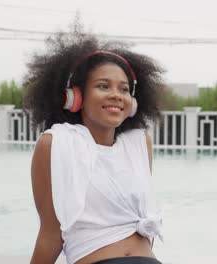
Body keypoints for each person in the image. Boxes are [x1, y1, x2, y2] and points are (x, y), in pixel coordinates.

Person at [23, 31, 165, 264]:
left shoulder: (139, 143)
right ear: (75, 96)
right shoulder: (55, 144)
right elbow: (50, 233)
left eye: (124, 89)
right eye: (103, 86)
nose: (116, 95)